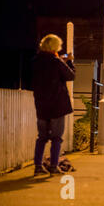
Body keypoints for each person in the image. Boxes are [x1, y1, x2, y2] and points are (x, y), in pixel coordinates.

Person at [32, 34, 75, 176]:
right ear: (55, 47)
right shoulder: (56, 62)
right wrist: (68, 62)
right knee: (56, 138)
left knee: (42, 137)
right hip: (57, 106)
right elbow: (70, 76)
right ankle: (54, 166)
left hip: (41, 106)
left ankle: (38, 167)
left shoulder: (36, 61)